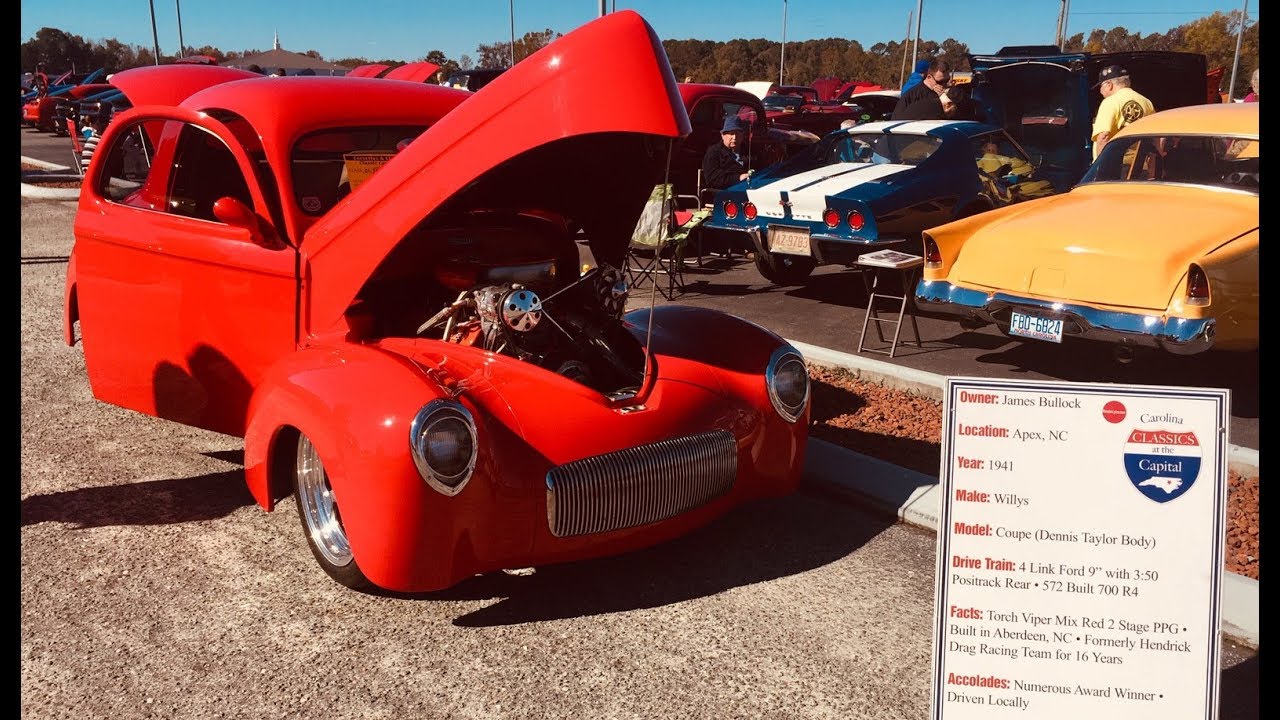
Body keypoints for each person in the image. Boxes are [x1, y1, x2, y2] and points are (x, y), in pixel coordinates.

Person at [1090, 65, 1153, 160]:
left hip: (1116, 164)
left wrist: (1101, 168)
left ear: (1109, 85)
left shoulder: (1110, 102)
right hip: (1140, 165)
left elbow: (1103, 137)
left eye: (1101, 86)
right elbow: (1155, 138)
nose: (1100, 91)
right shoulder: (1146, 102)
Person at [891, 59, 956, 120]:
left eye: (947, 80)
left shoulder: (950, 94)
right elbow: (896, 119)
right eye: (940, 82)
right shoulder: (912, 95)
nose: (944, 84)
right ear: (929, 77)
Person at [701, 115, 753, 192]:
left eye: (737, 133)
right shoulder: (714, 152)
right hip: (723, 194)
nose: (734, 137)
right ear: (723, 135)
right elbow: (713, 179)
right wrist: (739, 178)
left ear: (742, 135)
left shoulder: (749, 150)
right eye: (731, 134)